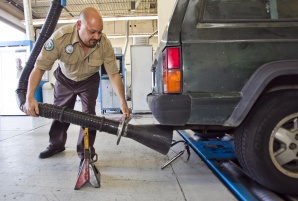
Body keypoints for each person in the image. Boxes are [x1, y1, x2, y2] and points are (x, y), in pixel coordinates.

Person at [24, 7, 130, 163]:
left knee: (89, 117)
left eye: (99, 32)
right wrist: (29, 96)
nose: (97, 36)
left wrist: (122, 101)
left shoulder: (104, 44)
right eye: (92, 32)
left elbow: (114, 74)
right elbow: (39, 67)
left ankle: (85, 151)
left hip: (89, 80)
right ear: (79, 25)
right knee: (60, 112)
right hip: (65, 79)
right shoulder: (61, 38)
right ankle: (56, 144)